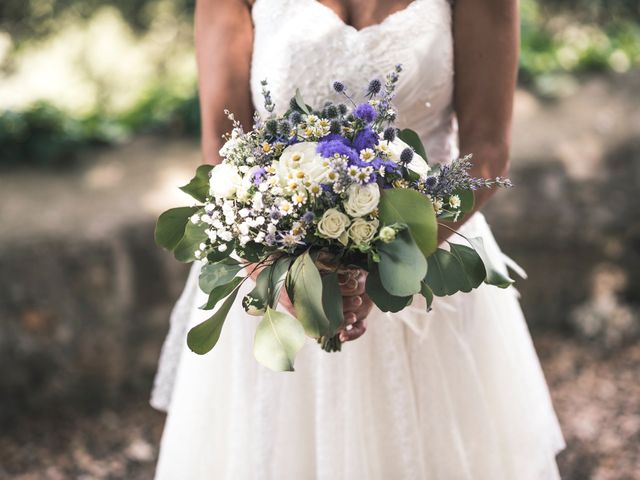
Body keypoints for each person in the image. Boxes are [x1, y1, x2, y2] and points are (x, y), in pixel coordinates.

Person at [152, 1, 566, 478]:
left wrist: (391, 264)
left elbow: (487, 153)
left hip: (429, 267)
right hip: (275, 273)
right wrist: (275, 272)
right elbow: (224, 148)